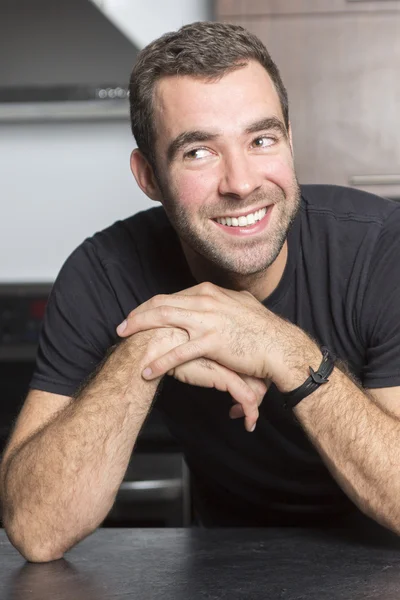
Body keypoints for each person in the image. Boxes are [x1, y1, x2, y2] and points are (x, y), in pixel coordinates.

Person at [1, 21, 400, 563]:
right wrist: (148, 345)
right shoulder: (104, 271)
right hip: (222, 560)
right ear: (148, 176)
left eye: (262, 140)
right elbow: (36, 529)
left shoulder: (381, 249)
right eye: (198, 152)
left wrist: (283, 349)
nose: (240, 182)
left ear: (290, 141)